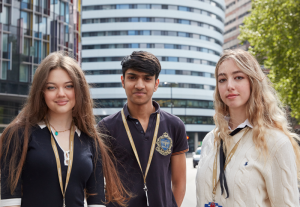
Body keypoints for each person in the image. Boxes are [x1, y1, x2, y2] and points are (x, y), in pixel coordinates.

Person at [0, 52, 129, 207]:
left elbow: (97, 201)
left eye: (69, 86)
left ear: (79, 90)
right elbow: (10, 201)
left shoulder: (91, 139)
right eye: (51, 87)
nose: (61, 94)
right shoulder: (18, 134)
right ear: (41, 92)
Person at [196, 49, 300, 207]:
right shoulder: (210, 140)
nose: (229, 86)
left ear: (253, 82)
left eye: (238, 77)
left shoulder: (277, 142)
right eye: (222, 79)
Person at [98, 51, 188, 207]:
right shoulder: (106, 127)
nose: (139, 85)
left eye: (147, 78)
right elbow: (97, 181)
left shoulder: (175, 125)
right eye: (132, 77)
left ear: (156, 84)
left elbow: (179, 182)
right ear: (123, 81)